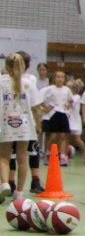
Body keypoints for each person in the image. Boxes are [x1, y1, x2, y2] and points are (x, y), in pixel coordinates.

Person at [1, 53, 42, 201]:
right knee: (22, 157)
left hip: (6, 123)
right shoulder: (29, 83)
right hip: (24, 124)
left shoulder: (1, 81)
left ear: (6, 66)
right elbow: (35, 107)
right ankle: (19, 191)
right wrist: (38, 124)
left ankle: (5, 183)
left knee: (4, 156)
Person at [39, 70, 72, 166]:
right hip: (52, 114)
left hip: (62, 113)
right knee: (52, 136)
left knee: (63, 136)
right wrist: (44, 108)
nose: (60, 79)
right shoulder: (49, 89)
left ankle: (62, 156)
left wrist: (68, 106)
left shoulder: (67, 90)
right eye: (58, 77)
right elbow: (40, 99)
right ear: (54, 78)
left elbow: (70, 100)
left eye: (62, 77)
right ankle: (48, 154)